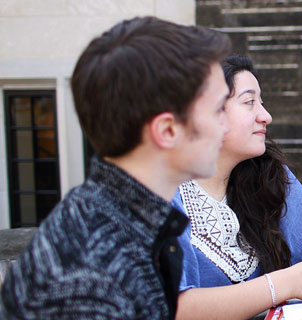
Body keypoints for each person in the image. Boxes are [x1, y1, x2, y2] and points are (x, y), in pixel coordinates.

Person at [0, 17, 231, 319]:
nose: (225, 127)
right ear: (168, 131)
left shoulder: (121, 219)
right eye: (218, 110)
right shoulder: (89, 277)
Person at [171, 56, 302, 319]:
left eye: (262, 103)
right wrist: (284, 284)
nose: (265, 116)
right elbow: (175, 308)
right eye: (249, 102)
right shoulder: (163, 194)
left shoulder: (268, 174)